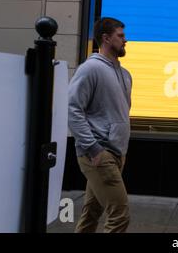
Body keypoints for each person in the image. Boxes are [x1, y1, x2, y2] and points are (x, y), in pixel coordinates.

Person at [68, 17, 132, 233]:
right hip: (98, 154)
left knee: (91, 213)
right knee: (119, 216)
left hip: (116, 153)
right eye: (120, 36)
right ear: (106, 38)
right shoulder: (90, 69)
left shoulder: (125, 74)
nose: (126, 40)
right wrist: (94, 149)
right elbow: (73, 109)